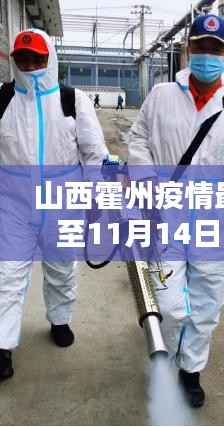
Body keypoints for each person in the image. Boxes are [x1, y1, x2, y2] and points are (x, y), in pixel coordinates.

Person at [127, 14, 224, 407]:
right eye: (200, 46)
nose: (207, 54)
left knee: (206, 305)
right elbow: (138, 139)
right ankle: (165, 365)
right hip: (166, 219)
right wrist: (145, 179)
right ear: (188, 50)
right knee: (170, 306)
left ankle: (191, 371)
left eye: (215, 48)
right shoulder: (161, 96)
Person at [0, 29, 108, 382]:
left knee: (62, 268)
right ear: (14, 60)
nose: (30, 65)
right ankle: (2, 345)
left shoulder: (72, 100)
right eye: (23, 58)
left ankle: (59, 320)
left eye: (37, 58)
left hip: (64, 202)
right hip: (13, 204)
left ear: (50, 60)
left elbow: (93, 154)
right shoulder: (3, 99)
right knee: (7, 275)